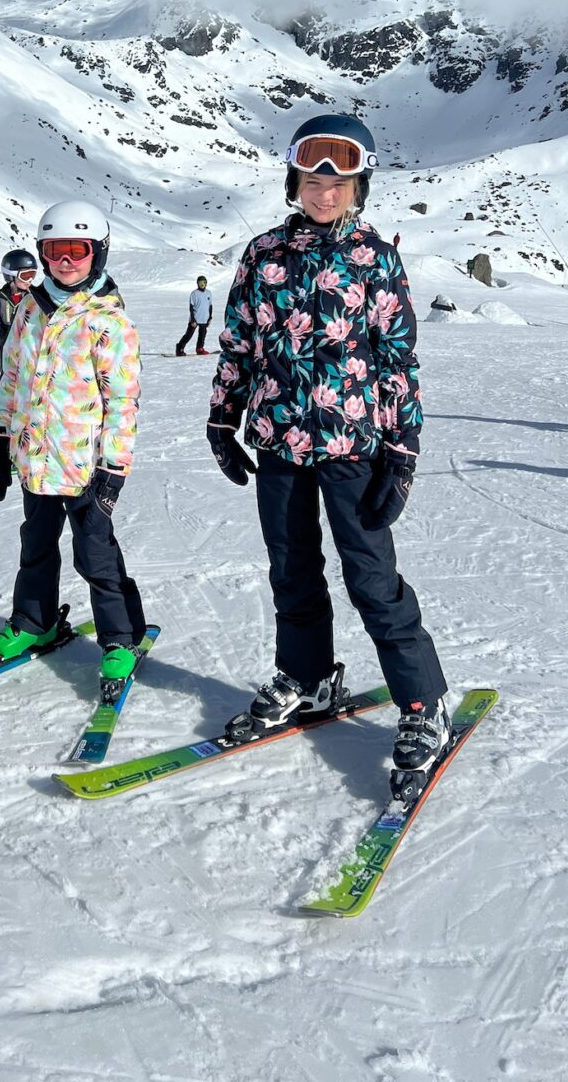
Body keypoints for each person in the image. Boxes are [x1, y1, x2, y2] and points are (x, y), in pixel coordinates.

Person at [206, 114, 450, 785]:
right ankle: (309, 679)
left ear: (359, 186)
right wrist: (223, 419)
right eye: (315, 177)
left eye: (339, 181)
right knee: (292, 572)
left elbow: (398, 360)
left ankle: (424, 702)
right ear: (296, 179)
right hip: (281, 440)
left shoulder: (375, 258)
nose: (325, 191)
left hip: (353, 447)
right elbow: (239, 346)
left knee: (371, 578)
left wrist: (401, 451)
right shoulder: (263, 254)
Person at [0, 199, 146, 698]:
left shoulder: (108, 321)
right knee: (36, 546)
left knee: (95, 554)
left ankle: (122, 637)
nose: (66, 260)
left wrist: (113, 470)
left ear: (99, 252)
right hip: (34, 458)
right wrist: (0, 437)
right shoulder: (29, 309)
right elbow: (12, 377)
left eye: (78, 249)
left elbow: (122, 401)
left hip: (85, 465)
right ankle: (36, 621)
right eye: (55, 249)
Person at [0, 249, 39, 370]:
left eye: (32, 275)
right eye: (25, 276)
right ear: (11, 275)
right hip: (7, 355)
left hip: (30, 355)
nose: (30, 280)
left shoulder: (36, 299)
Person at [175, 275, 214, 356]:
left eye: (203, 282)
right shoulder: (194, 294)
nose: (202, 284)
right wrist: (192, 319)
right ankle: (179, 348)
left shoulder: (209, 293)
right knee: (189, 335)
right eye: (200, 283)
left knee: (202, 334)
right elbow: (191, 307)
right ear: (197, 284)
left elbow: (210, 306)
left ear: (206, 283)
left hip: (204, 318)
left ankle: (200, 348)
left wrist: (210, 317)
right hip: (195, 318)